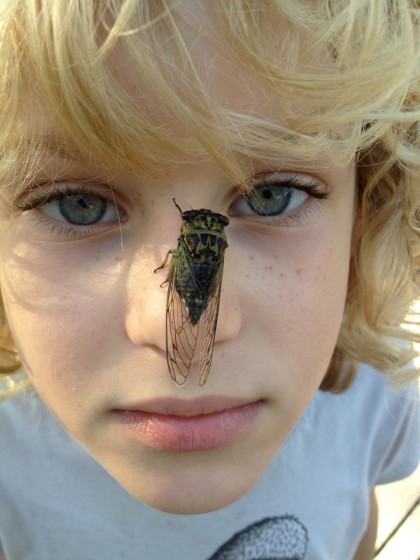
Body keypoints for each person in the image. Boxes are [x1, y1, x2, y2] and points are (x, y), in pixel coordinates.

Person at [0, 1, 418, 558]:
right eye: (77, 205)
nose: (156, 318)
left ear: (368, 210)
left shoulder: (378, 409)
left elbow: (354, 527)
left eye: (270, 196)